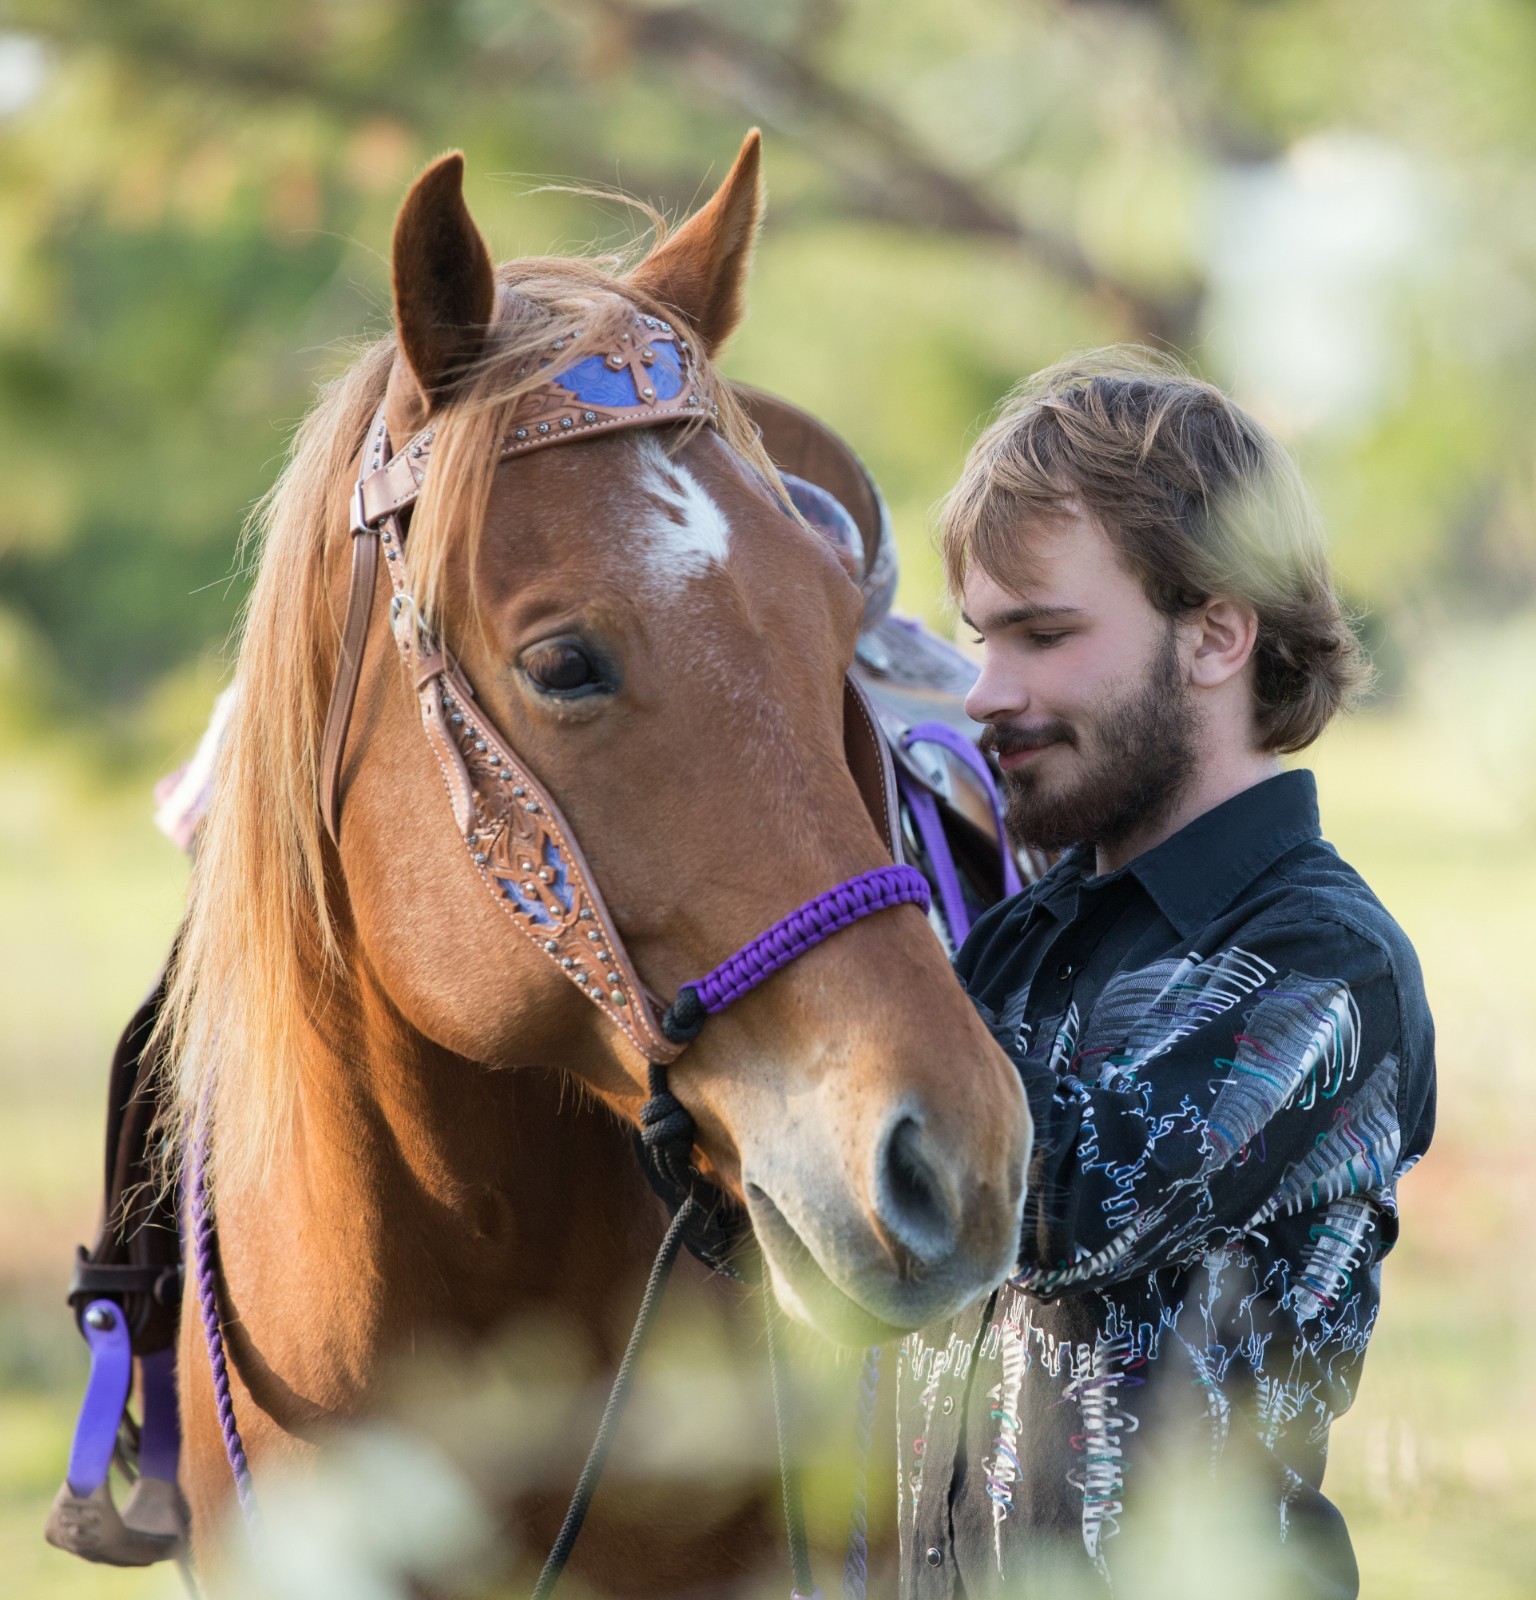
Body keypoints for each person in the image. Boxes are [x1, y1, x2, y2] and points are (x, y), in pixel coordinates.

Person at [897, 351, 1434, 1599]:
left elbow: (1061, 1200)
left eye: (1043, 634)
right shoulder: (1021, 936)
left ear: (1216, 636)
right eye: (982, 637)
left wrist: (834, 992)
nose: (985, 691)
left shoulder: (1328, 966)